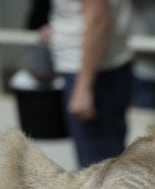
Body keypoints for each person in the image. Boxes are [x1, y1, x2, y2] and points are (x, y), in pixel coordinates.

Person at [47, 0, 133, 168]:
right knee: (104, 168)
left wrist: (83, 88)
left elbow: (98, 19)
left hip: (92, 73)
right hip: (96, 69)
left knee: (96, 172)